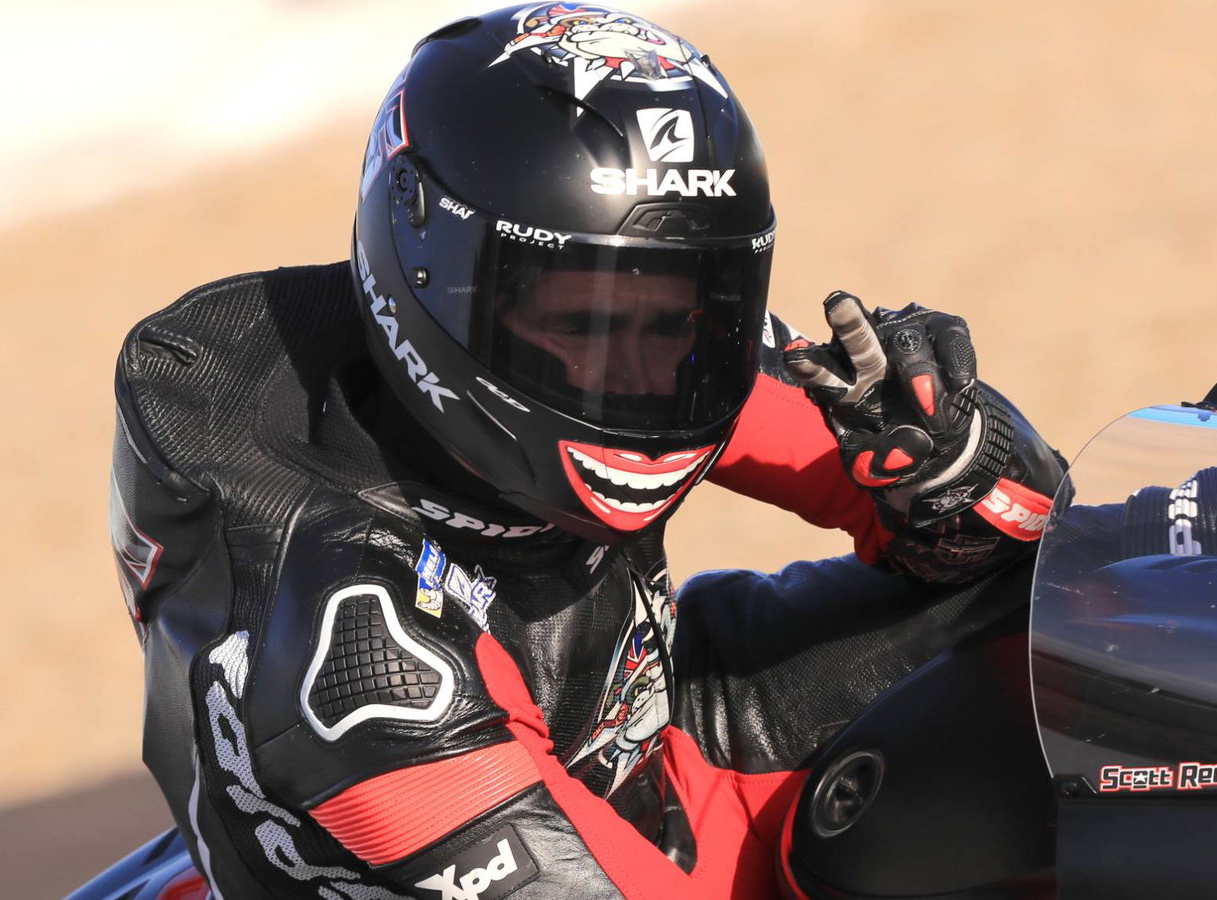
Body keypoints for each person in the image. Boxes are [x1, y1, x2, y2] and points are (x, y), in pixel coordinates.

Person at [107, 5, 1064, 898]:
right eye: (582, 322)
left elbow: (1037, 536)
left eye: (678, 316)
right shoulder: (360, 661)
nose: (644, 379)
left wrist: (961, 456)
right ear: (435, 280)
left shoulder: (647, 363)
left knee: (1065, 627)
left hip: (650, 758)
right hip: (479, 819)